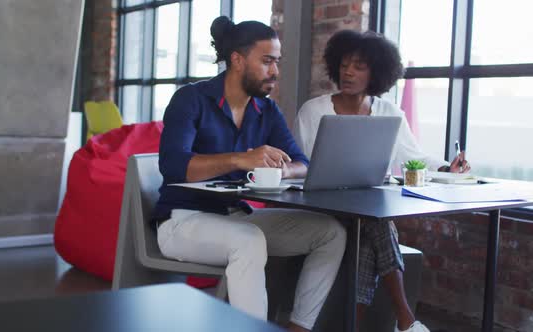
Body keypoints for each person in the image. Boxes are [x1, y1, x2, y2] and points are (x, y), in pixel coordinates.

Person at [152, 16, 347, 332]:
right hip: (182, 220)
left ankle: (299, 327)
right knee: (249, 240)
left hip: (237, 219)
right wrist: (242, 159)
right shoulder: (191, 99)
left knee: (331, 232)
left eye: (277, 62)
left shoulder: (266, 110)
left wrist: (280, 169)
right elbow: (174, 166)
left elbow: (302, 163)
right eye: (267, 61)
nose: (276, 71)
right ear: (238, 60)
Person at [294, 30, 470, 332]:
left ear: (376, 72)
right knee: (377, 222)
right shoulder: (314, 111)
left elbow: (414, 157)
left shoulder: (389, 112)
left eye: (359, 66)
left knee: (371, 228)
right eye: (345, 64)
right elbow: (299, 166)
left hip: (365, 211)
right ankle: (406, 319)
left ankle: (360, 325)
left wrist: (447, 167)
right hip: (321, 207)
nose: (348, 72)